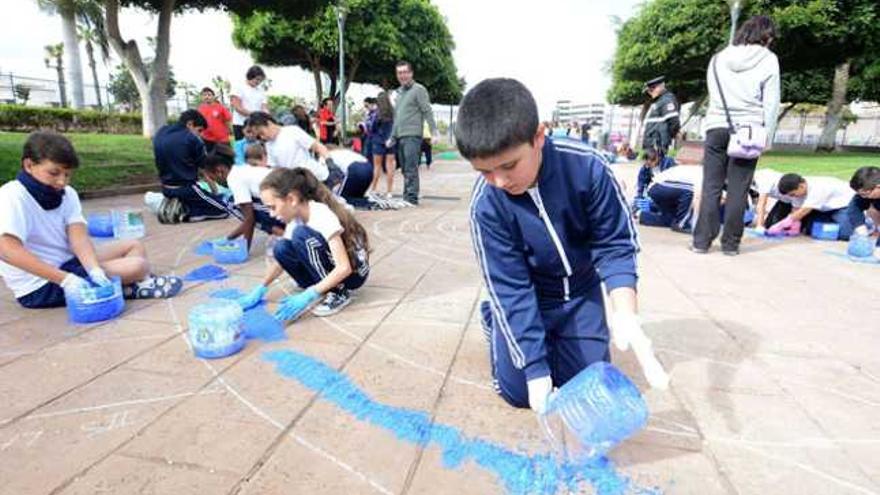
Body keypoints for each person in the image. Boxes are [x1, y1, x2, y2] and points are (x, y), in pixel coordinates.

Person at [458, 78, 668, 414]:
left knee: (585, 385)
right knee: (518, 392)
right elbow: (510, 287)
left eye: (509, 165)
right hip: (532, 294)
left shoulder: (588, 168)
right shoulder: (487, 204)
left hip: (581, 291)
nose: (499, 181)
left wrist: (625, 312)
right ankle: (493, 320)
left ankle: (562, 338)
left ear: (539, 136)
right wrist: (536, 369)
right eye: (484, 171)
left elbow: (615, 245)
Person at [0, 131, 182, 309]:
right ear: (29, 165)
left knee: (134, 246)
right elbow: (7, 250)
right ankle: (132, 285)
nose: (62, 181)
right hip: (40, 284)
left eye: (67, 174)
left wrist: (94, 269)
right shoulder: (12, 196)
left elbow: (78, 236)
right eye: (54, 173)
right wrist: (66, 280)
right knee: (138, 266)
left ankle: (126, 286)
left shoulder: (67, 194)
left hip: (68, 262)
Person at [692, 15, 780, 255]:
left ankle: (701, 241)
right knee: (738, 189)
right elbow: (771, 103)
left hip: (716, 126)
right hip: (749, 130)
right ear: (766, 36)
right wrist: (768, 136)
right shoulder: (769, 60)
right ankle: (730, 244)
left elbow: (713, 93)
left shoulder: (718, 58)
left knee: (711, 186)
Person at [237, 168, 370, 318]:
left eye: (273, 207)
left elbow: (344, 267)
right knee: (281, 248)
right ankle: (320, 286)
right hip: (335, 266)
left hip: (353, 273)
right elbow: (280, 260)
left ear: (292, 199)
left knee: (301, 235)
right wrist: (261, 288)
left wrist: (309, 295)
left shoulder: (320, 214)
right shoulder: (296, 218)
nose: (271, 214)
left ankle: (338, 292)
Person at [154, 110, 231, 222]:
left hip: (166, 188)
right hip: (187, 189)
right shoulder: (192, 139)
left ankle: (184, 207)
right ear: (190, 124)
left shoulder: (161, 132)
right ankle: (189, 213)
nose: (200, 135)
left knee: (208, 197)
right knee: (224, 209)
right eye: (199, 130)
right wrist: (214, 191)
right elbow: (205, 168)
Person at [199, 153, 285, 249]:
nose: (215, 182)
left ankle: (285, 235)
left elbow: (249, 219)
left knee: (231, 204)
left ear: (219, 171)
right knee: (244, 206)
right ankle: (281, 231)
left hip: (285, 206)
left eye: (212, 178)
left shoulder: (234, 179)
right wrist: (229, 238)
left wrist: (244, 248)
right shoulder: (240, 169)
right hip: (291, 202)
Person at [388, 61, 438, 206]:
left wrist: (434, 131)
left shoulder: (419, 90)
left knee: (410, 167)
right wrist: (392, 136)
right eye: (399, 73)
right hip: (400, 136)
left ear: (411, 73)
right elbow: (397, 117)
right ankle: (406, 196)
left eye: (405, 72)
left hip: (413, 135)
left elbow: (427, 110)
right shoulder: (399, 92)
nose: (402, 75)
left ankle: (411, 198)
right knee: (404, 168)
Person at [245, 111, 337, 188]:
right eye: (259, 136)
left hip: (317, 177)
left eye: (262, 133)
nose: (262, 137)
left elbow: (317, 147)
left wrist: (330, 163)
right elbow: (275, 168)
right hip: (299, 185)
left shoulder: (291, 131)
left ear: (269, 123)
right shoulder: (269, 145)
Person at [768, 174, 855, 239]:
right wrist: (794, 226)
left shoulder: (818, 187)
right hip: (823, 209)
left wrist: (780, 225)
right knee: (810, 230)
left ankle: (862, 222)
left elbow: (804, 211)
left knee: (846, 234)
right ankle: (839, 223)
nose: (793, 197)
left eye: (793, 194)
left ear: (801, 186)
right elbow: (796, 210)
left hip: (843, 206)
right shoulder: (798, 191)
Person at [639, 165, 703, 234]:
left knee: (671, 219)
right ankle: (681, 224)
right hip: (661, 185)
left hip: (661, 188)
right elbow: (697, 198)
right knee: (691, 191)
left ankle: (643, 216)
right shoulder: (704, 175)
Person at [641, 76, 680, 157]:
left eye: (652, 89)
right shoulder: (659, 101)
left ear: (660, 87)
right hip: (652, 144)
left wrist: (668, 136)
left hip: (657, 145)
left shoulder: (666, 100)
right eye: (649, 91)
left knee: (657, 168)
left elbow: (674, 122)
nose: (650, 93)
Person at [846, 166, 880, 257]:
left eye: (864, 194)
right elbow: (854, 208)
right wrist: (861, 231)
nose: (862, 197)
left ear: (878, 187)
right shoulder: (868, 191)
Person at [368, 91, 397, 200]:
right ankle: (389, 191)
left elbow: (372, 129)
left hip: (378, 142)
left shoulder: (377, 113)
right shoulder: (394, 113)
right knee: (390, 167)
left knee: (377, 167)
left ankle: (374, 189)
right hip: (391, 142)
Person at [230, 65, 269, 141]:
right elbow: (237, 107)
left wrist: (266, 115)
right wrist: (254, 115)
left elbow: (264, 107)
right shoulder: (238, 87)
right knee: (242, 149)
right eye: (257, 79)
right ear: (250, 76)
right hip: (240, 124)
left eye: (260, 80)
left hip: (257, 125)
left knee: (259, 149)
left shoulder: (261, 90)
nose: (258, 82)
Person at [196, 87, 232, 153]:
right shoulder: (200, 109)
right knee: (211, 160)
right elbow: (198, 124)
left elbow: (228, 120)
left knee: (226, 158)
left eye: (209, 95)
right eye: (204, 95)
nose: (207, 97)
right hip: (207, 139)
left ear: (213, 96)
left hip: (222, 139)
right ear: (202, 97)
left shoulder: (221, 107)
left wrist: (229, 131)